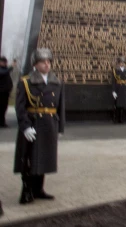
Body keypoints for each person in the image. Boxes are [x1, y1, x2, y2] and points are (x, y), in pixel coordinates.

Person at [13, 48, 65, 204]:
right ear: (35, 64)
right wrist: (25, 127)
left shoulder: (56, 82)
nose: (47, 64)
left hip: (49, 125)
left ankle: (38, 189)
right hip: (33, 124)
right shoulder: (26, 82)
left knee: (44, 158)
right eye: (43, 62)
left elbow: (60, 107)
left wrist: (60, 127)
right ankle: (27, 191)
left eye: (49, 61)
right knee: (29, 159)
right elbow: (20, 107)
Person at [111, 56, 126, 124]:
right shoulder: (115, 70)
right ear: (118, 63)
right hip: (118, 88)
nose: (122, 64)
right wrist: (113, 91)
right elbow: (113, 81)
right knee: (117, 105)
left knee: (123, 105)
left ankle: (122, 119)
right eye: (120, 62)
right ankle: (116, 119)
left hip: (124, 88)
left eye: (123, 62)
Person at [0, 57, 13, 128]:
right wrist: (11, 67)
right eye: (3, 62)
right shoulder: (2, 70)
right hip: (1, 92)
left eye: (5, 62)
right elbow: (3, 73)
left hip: (5, 92)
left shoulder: (5, 69)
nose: (5, 63)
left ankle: (2, 122)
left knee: (4, 108)